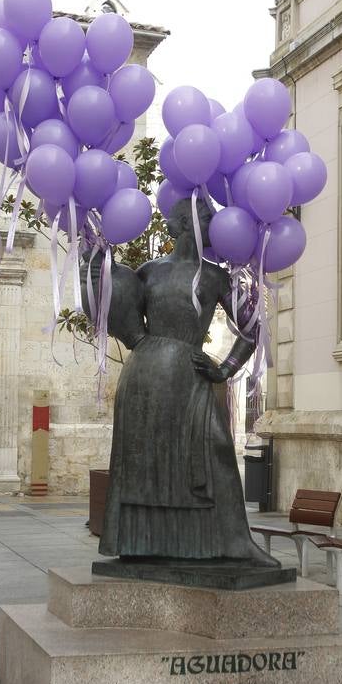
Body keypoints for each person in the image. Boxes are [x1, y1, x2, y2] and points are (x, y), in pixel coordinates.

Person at [83, 198, 279, 568]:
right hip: (145, 376)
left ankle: (236, 542)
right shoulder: (148, 272)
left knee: (215, 452)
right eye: (204, 216)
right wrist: (92, 265)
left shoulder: (215, 276)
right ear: (180, 224)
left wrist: (226, 368)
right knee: (142, 461)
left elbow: (254, 327)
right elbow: (116, 313)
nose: (211, 222)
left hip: (190, 378)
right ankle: (140, 541)